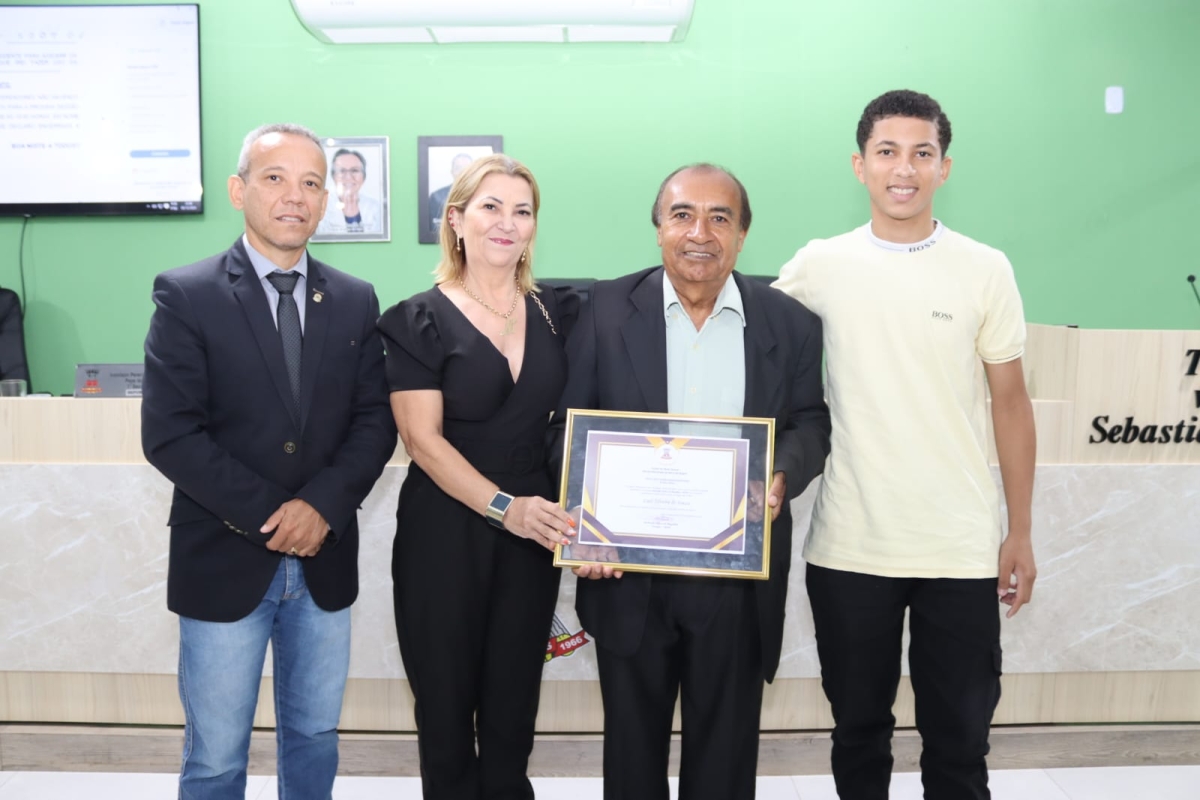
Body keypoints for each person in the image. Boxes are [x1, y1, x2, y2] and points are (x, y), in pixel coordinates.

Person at [773, 89, 1037, 800]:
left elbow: (1012, 404)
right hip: (852, 544)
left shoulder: (985, 267)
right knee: (859, 733)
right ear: (859, 165)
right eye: (887, 151)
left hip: (959, 546)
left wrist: (1019, 530)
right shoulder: (820, 264)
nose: (904, 168)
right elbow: (750, 344)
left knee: (960, 744)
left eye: (922, 153)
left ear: (943, 168)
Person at [551, 164, 831, 799]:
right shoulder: (601, 312)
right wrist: (583, 518)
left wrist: (782, 472)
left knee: (725, 764)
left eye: (719, 218)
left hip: (736, 581)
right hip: (627, 575)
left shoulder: (791, 323)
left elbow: (811, 423)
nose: (699, 232)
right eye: (682, 215)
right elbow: (564, 428)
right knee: (632, 762)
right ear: (658, 228)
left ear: (742, 235)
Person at [141, 123, 396, 800]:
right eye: (275, 178)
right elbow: (170, 433)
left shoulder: (355, 299)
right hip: (224, 558)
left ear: (326, 201)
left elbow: (375, 421)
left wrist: (322, 508)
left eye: (311, 182)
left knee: (314, 740)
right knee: (216, 757)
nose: (296, 196)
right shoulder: (187, 294)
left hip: (325, 563)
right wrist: (279, 516)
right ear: (238, 190)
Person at [377, 153, 579, 799]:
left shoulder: (559, 312)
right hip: (445, 533)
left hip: (531, 539)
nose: (507, 223)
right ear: (456, 220)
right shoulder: (416, 319)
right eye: (490, 207)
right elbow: (422, 441)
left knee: (513, 713)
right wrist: (504, 508)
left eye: (522, 211)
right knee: (445, 714)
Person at [320, 148, 382, 234]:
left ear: (364, 176)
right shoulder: (322, 208)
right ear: (333, 176)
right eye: (341, 171)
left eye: (354, 170)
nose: (348, 177)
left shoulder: (376, 208)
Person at [428, 152, 474, 232]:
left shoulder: (483, 195)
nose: (462, 172)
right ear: (452, 172)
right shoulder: (436, 197)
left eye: (467, 168)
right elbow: (433, 230)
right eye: (458, 168)